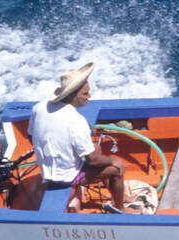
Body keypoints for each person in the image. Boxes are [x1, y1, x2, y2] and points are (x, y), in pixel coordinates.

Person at [28, 62, 133, 212]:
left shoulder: (39, 107)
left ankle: (118, 196)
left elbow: (30, 135)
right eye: (85, 94)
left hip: (47, 171)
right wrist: (114, 160)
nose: (89, 96)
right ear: (72, 96)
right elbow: (93, 160)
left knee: (96, 149)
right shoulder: (76, 121)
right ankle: (120, 207)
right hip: (67, 178)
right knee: (116, 168)